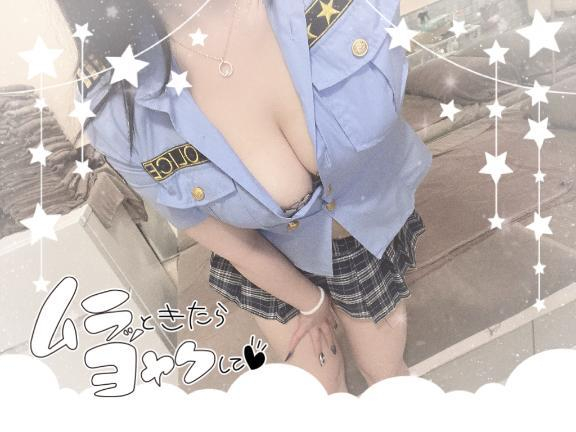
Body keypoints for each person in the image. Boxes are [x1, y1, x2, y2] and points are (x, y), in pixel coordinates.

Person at [56, 0, 433, 394]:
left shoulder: (337, 9)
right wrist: (310, 301)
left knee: (386, 375)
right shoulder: (118, 113)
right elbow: (226, 240)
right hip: (267, 257)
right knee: (317, 389)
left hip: (359, 231)